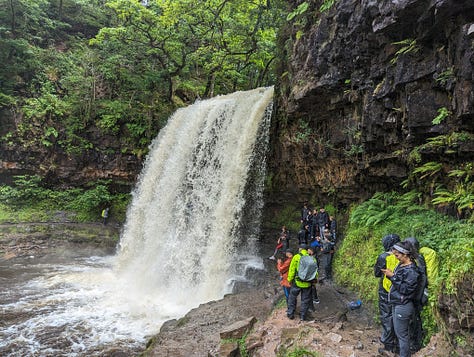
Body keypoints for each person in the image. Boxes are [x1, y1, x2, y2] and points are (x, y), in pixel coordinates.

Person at [382, 241, 420, 357]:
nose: (396, 257)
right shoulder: (402, 265)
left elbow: (406, 290)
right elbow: (399, 283)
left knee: (402, 336)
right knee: (400, 334)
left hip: (403, 305)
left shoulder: (412, 271)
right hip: (397, 302)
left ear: (405, 254)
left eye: (397, 255)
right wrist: (391, 275)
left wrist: (392, 276)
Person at [374, 234, 401, 355]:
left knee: (386, 315)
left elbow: (377, 273)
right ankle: (398, 344)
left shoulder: (383, 257)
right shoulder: (404, 255)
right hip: (401, 289)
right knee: (397, 315)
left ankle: (388, 345)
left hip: (386, 289)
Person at [287, 243, 314, 321]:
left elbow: (292, 270)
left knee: (292, 297)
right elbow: (315, 272)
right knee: (305, 300)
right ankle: (303, 316)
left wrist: (289, 279)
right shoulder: (312, 258)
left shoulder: (296, 257)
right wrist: (313, 281)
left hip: (297, 282)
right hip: (307, 283)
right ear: (307, 250)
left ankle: (290, 314)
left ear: (300, 249)